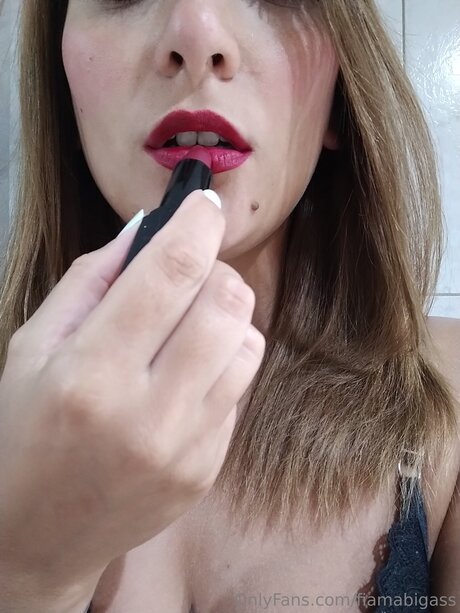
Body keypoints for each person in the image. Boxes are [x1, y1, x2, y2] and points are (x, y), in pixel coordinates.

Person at [0, 0, 459, 611]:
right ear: (64, 87)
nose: (197, 34)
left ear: (338, 99)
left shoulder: (450, 396)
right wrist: (28, 572)